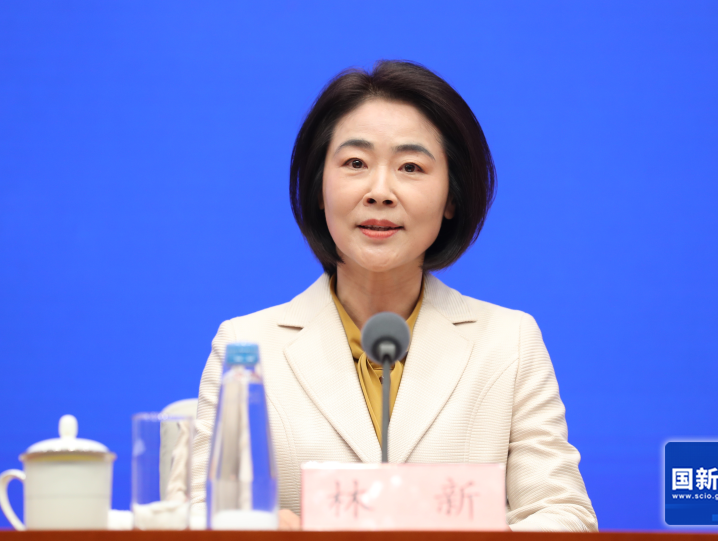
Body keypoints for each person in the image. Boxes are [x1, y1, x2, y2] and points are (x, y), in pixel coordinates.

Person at [188, 60, 597, 531]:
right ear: (319, 187)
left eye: (410, 167)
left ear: (451, 198)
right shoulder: (246, 346)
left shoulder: (508, 342)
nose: (380, 192)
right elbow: (197, 516)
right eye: (355, 164)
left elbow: (564, 515)